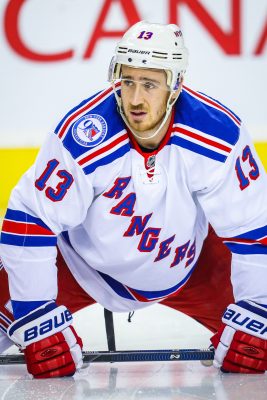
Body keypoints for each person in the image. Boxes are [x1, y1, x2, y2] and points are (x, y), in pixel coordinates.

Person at [0, 21, 266, 378]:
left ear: (175, 86)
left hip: (190, 266)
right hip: (79, 267)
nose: (136, 99)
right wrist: (35, 315)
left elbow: (255, 225)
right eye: (128, 81)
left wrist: (258, 310)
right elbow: (30, 217)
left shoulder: (218, 135)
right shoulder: (84, 135)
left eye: (149, 84)